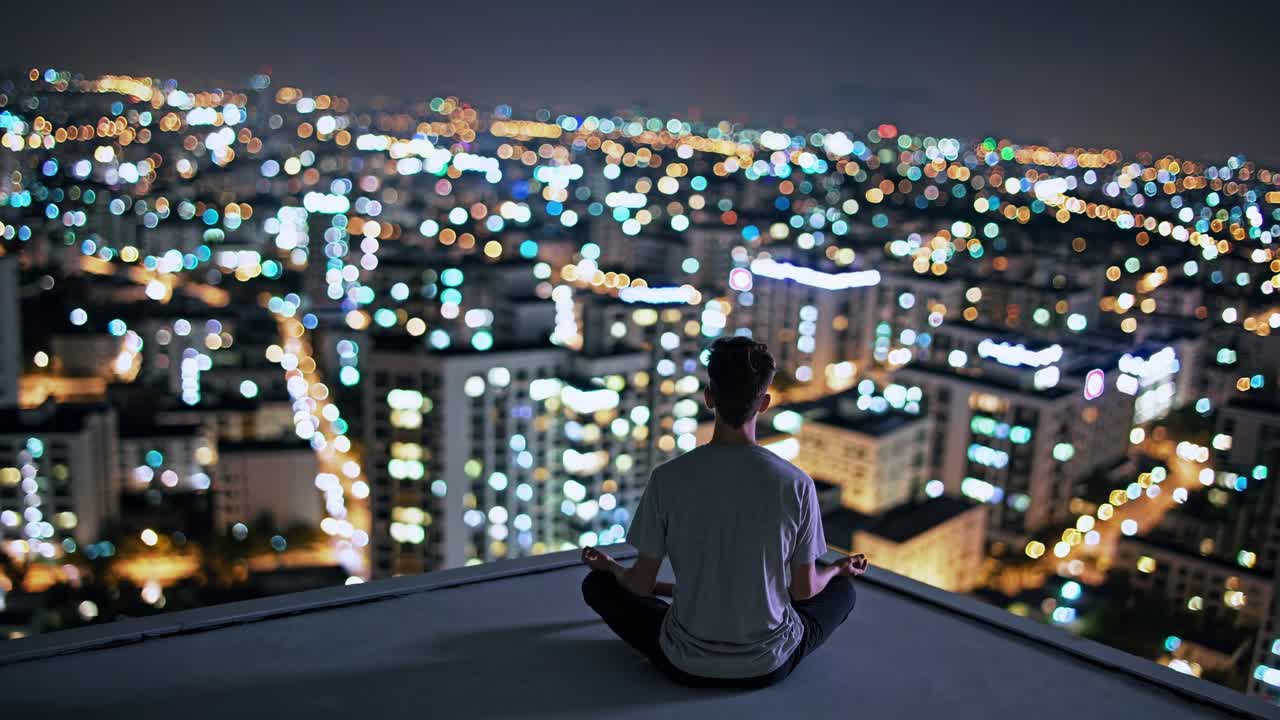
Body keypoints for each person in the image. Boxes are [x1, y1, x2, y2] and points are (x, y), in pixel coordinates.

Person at [581, 336, 867, 689]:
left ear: (709, 397)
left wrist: (611, 568)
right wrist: (837, 569)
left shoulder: (668, 478)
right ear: (764, 403)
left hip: (683, 661)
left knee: (598, 585)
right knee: (844, 593)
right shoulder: (796, 484)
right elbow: (804, 592)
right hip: (769, 663)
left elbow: (639, 585)